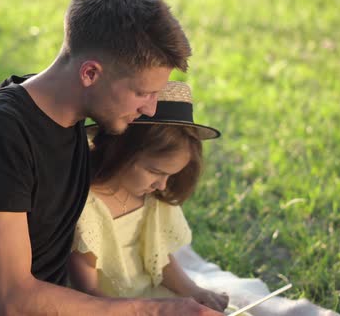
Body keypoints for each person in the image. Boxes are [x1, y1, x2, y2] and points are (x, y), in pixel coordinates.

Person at [0, 0, 225, 315]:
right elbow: (10, 302)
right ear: (90, 73)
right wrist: (154, 311)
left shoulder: (70, 122)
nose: (150, 109)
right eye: (143, 93)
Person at [69, 81, 230, 313]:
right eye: (155, 172)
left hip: (149, 294)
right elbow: (88, 293)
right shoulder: (87, 208)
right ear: (121, 150)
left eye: (170, 175)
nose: (162, 184)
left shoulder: (152, 197)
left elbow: (159, 259)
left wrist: (195, 292)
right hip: (109, 307)